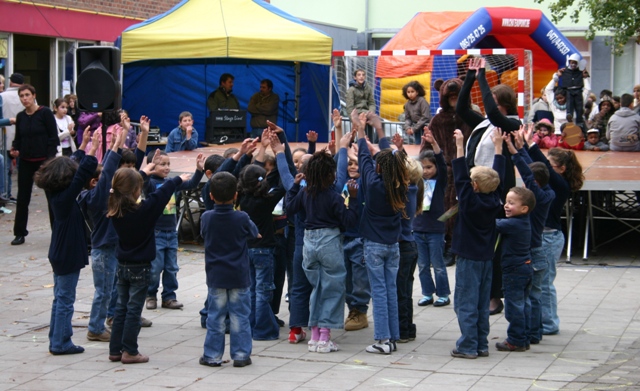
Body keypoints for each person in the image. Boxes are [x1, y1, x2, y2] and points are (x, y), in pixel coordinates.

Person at [107, 151, 190, 364]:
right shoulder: (143, 211)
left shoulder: (114, 207)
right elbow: (159, 196)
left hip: (122, 264)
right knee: (134, 309)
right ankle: (130, 351)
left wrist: (143, 173)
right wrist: (177, 180)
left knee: (121, 307)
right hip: (140, 266)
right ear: (136, 190)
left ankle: (115, 350)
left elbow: (136, 189)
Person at [456, 57, 518, 316]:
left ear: (501, 102)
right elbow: (461, 109)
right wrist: (470, 76)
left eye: (490, 97)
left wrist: (484, 75)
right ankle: (482, 291)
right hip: (478, 189)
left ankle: (494, 295)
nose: (485, 101)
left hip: (497, 192)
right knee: (479, 242)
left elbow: (493, 112)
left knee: (494, 245)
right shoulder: (485, 123)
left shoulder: (512, 123)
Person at [286, 147, 358, 353]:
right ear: (329, 175)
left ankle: (315, 335)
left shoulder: (304, 193)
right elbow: (349, 221)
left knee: (316, 288)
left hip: (309, 242)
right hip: (329, 242)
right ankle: (325, 337)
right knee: (333, 289)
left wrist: (294, 186)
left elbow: (289, 208)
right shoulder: (334, 197)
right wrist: (353, 198)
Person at [35, 128, 99, 355]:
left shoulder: (55, 193)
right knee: (65, 300)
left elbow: (73, 165)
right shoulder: (64, 198)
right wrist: (92, 150)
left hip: (60, 252)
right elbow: (81, 175)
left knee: (60, 298)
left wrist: (81, 148)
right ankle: (61, 342)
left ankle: (57, 339)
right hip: (67, 254)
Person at [352, 110, 409, 355]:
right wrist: (379, 131)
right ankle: (393, 337)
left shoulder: (374, 186)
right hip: (393, 246)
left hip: (374, 246)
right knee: (390, 290)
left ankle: (383, 340)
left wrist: (361, 130)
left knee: (379, 291)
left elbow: (364, 157)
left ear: (378, 167)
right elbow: (388, 160)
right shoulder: (401, 186)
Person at [449, 127, 505, 359]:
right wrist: (499, 149)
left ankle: (468, 345)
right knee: (482, 303)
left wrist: (460, 146)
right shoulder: (495, 199)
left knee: (465, 302)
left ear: (474, 187)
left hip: (468, 259)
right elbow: (497, 177)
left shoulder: (470, 202)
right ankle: (481, 343)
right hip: (486, 259)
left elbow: (460, 176)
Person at [526, 129, 584, 336]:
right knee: (538, 281)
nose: (546, 168)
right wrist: (521, 146)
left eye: (550, 165)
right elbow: (536, 166)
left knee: (545, 282)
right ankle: (539, 319)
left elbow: (541, 165)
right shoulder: (552, 181)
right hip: (544, 236)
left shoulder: (560, 185)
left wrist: (531, 145)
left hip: (549, 238)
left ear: (561, 168)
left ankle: (549, 323)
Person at [199, 171, 260, 368]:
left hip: (216, 275)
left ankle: (212, 355)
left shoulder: (207, 217)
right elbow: (253, 232)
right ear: (236, 195)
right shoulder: (241, 217)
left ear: (211, 196)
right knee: (240, 316)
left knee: (215, 317)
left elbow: (203, 234)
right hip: (239, 275)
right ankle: (241, 354)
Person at [504, 128, 555, 347]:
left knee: (529, 296)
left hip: (531, 251)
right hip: (539, 249)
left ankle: (528, 332)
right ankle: (535, 332)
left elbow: (527, 174)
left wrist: (514, 151)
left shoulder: (539, 198)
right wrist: (522, 147)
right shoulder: (548, 191)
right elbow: (533, 172)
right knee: (534, 295)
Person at [80, 122, 127, 343]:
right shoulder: (95, 199)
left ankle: (104, 321)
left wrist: (93, 148)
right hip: (103, 251)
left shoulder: (98, 197)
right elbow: (107, 173)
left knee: (109, 289)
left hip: (108, 250)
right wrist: (116, 145)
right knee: (104, 291)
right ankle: (95, 327)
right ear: (93, 183)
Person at [236, 132, 286, 341]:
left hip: (246, 249)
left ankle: (251, 324)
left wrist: (262, 150)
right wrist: (280, 154)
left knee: (251, 290)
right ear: (261, 182)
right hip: (264, 250)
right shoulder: (267, 201)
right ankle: (264, 329)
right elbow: (283, 181)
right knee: (264, 291)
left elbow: (250, 173)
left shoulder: (243, 197)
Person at [144, 151, 205, 310]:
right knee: (155, 267)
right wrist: (148, 167)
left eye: (168, 164)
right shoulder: (150, 183)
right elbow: (142, 181)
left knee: (171, 267)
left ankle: (169, 297)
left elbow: (191, 184)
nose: (166, 167)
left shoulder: (172, 182)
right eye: (162, 164)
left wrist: (199, 170)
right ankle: (150, 295)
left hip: (171, 232)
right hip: (155, 232)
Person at [427, 77, 473, 266]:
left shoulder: (471, 117)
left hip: (465, 170)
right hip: (443, 172)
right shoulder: (437, 120)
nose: (453, 99)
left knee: (460, 209)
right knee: (439, 209)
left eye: (457, 96)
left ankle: (455, 245)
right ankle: (443, 244)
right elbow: (426, 146)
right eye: (450, 96)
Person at [10, 84, 59, 245]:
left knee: (51, 197)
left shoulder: (44, 113)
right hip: (25, 162)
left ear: (33, 95)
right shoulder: (21, 117)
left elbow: (53, 138)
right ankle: (19, 232)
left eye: (27, 95)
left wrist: (49, 161)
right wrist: (15, 149)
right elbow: (18, 139)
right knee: (23, 198)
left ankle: (57, 231)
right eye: (22, 96)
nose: (25, 99)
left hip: (43, 162)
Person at [494, 186, 535, 352]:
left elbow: (492, 224)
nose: (506, 205)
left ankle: (516, 340)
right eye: (506, 201)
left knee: (514, 307)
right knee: (523, 304)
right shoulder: (523, 221)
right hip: (524, 267)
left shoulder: (513, 224)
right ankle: (524, 337)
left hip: (515, 270)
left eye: (511, 203)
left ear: (524, 208)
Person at [413, 131, 450, 309]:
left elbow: (442, 165)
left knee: (438, 265)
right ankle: (427, 293)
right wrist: (399, 148)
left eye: (429, 167)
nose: (426, 171)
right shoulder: (417, 182)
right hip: (418, 229)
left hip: (435, 230)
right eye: (423, 167)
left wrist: (435, 144)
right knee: (422, 265)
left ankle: (443, 294)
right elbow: (408, 168)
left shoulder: (440, 180)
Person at [1, 73, 26, 201]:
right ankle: (22, 194)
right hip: (24, 139)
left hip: (5, 138)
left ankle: (6, 193)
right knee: (23, 170)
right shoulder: (27, 96)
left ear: (10, 82)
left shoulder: (2, 96)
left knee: (5, 169)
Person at [545, 68, 591, 134]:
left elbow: (587, 90)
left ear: (567, 97)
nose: (559, 100)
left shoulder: (577, 103)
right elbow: (548, 90)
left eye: (561, 98)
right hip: (559, 135)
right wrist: (556, 77)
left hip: (574, 135)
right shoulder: (553, 104)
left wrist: (585, 78)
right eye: (557, 99)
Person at [402, 81, 431, 145]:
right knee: (418, 145)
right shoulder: (407, 104)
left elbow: (425, 116)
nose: (410, 94)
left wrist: (414, 129)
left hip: (426, 129)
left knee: (426, 146)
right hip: (417, 130)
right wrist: (407, 127)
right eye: (408, 92)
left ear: (417, 92)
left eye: (412, 92)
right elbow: (407, 118)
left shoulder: (422, 101)